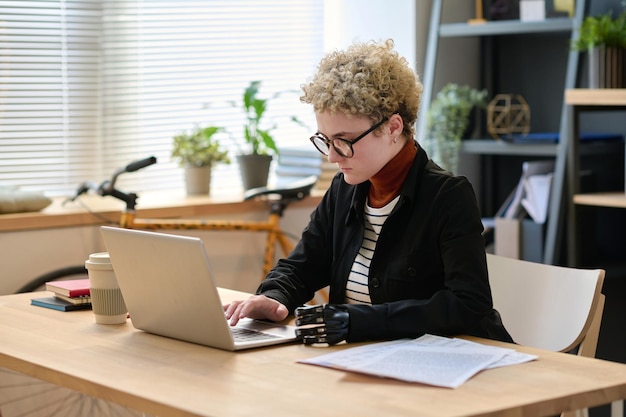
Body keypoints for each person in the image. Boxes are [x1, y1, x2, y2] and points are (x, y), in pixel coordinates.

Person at [225, 39, 512, 345]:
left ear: (392, 128)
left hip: (443, 361)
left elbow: (467, 304)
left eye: (344, 140)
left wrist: (356, 320)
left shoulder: (447, 196)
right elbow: (303, 266)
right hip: (364, 357)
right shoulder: (344, 189)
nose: (332, 156)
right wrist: (273, 296)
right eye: (325, 140)